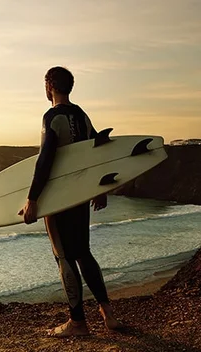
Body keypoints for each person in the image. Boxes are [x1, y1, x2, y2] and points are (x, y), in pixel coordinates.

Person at [17, 66, 124, 337]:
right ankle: (108, 314)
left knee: (63, 256)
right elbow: (97, 149)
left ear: (50, 86)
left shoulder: (52, 117)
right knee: (83, 252)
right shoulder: (81, 115)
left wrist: (32, 199)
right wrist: (100, 188)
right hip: (81, 195)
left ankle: (77, 323)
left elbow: (45, 160)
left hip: (58, 197)